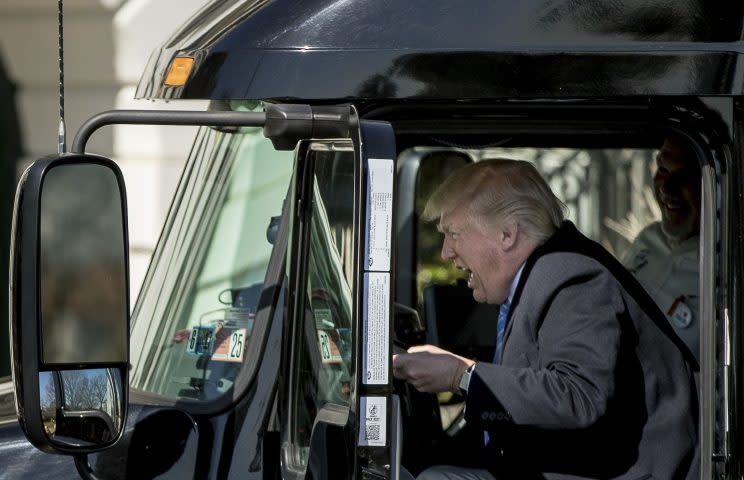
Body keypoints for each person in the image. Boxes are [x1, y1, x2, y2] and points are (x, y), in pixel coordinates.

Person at [392, 159, 698, 479]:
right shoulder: (546, 272)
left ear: (507, 235)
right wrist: (462, 373)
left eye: (453, 234)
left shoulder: (573, 277)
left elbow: (579, 396)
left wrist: (462, 376)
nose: (446, 253)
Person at [622, 135, 701, 365]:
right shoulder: (649, 238)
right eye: (663, 170)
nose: (666, 188)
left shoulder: (726, 261)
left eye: (684, 176)